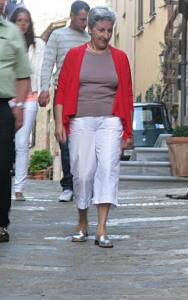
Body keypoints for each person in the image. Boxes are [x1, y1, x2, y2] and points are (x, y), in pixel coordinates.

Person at [54, 6, 133, 248]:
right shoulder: (75, 55)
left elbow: (127, 95)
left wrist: (128, 131)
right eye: (101, 30)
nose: (105, 35)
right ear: (90, 29)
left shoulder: (119, 57)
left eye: (109, 31)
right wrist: (59, 122)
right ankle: (81, 220)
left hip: (110, 120)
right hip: (81, 120)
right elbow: (62, 90)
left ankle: (101, 228)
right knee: (83, 172)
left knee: (108, 169)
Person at [39, 0, 90, 202]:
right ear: (72, 15)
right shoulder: (58, 36)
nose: (85, 23)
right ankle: (68, 185)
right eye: (82, 18)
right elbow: (47, 63)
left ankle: (82, 184)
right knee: (65, 141)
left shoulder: (90, 38)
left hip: (85, 95)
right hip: (63, 93)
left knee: (84, 142)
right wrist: (44, 89)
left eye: (87, 19)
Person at [0, 0, 31, 243]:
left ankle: (0, 223)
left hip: (2, 107)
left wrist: (19, 107)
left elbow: (23, 75)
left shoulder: (11, 33)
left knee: (2, 167)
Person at [9, 7, 45, 201]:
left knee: (22, 144)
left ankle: (19, 188)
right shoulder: (6, 41)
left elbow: (43, 69)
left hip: (29, 98)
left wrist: (43, 90)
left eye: (26, 20)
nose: (23, 24)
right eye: (19, 20)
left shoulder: (38, 44)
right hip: (6, 97)